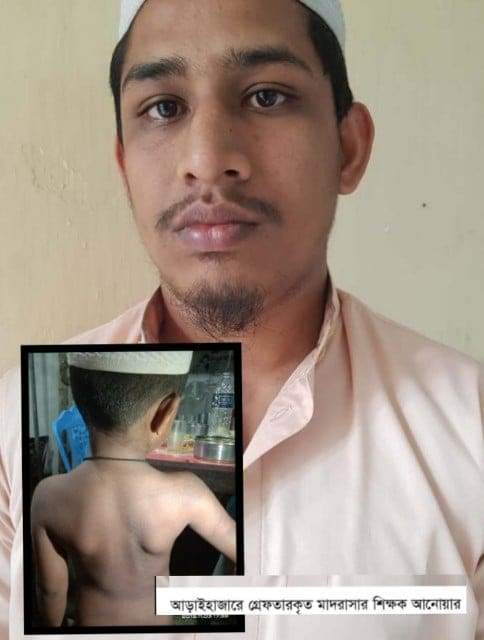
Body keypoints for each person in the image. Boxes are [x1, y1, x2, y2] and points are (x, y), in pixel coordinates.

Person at [0, 0, 482, 638]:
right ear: (124, 165)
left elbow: (53, 594)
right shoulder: (6, 435)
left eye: (266, 96)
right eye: (163, 108)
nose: (206, 159)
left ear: (348, 147)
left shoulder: (470, 429)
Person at [30, 351, 236, 628]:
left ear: (80, 404)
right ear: (165, 413)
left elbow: (50, 591)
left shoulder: (48, 495)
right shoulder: (186, 492)